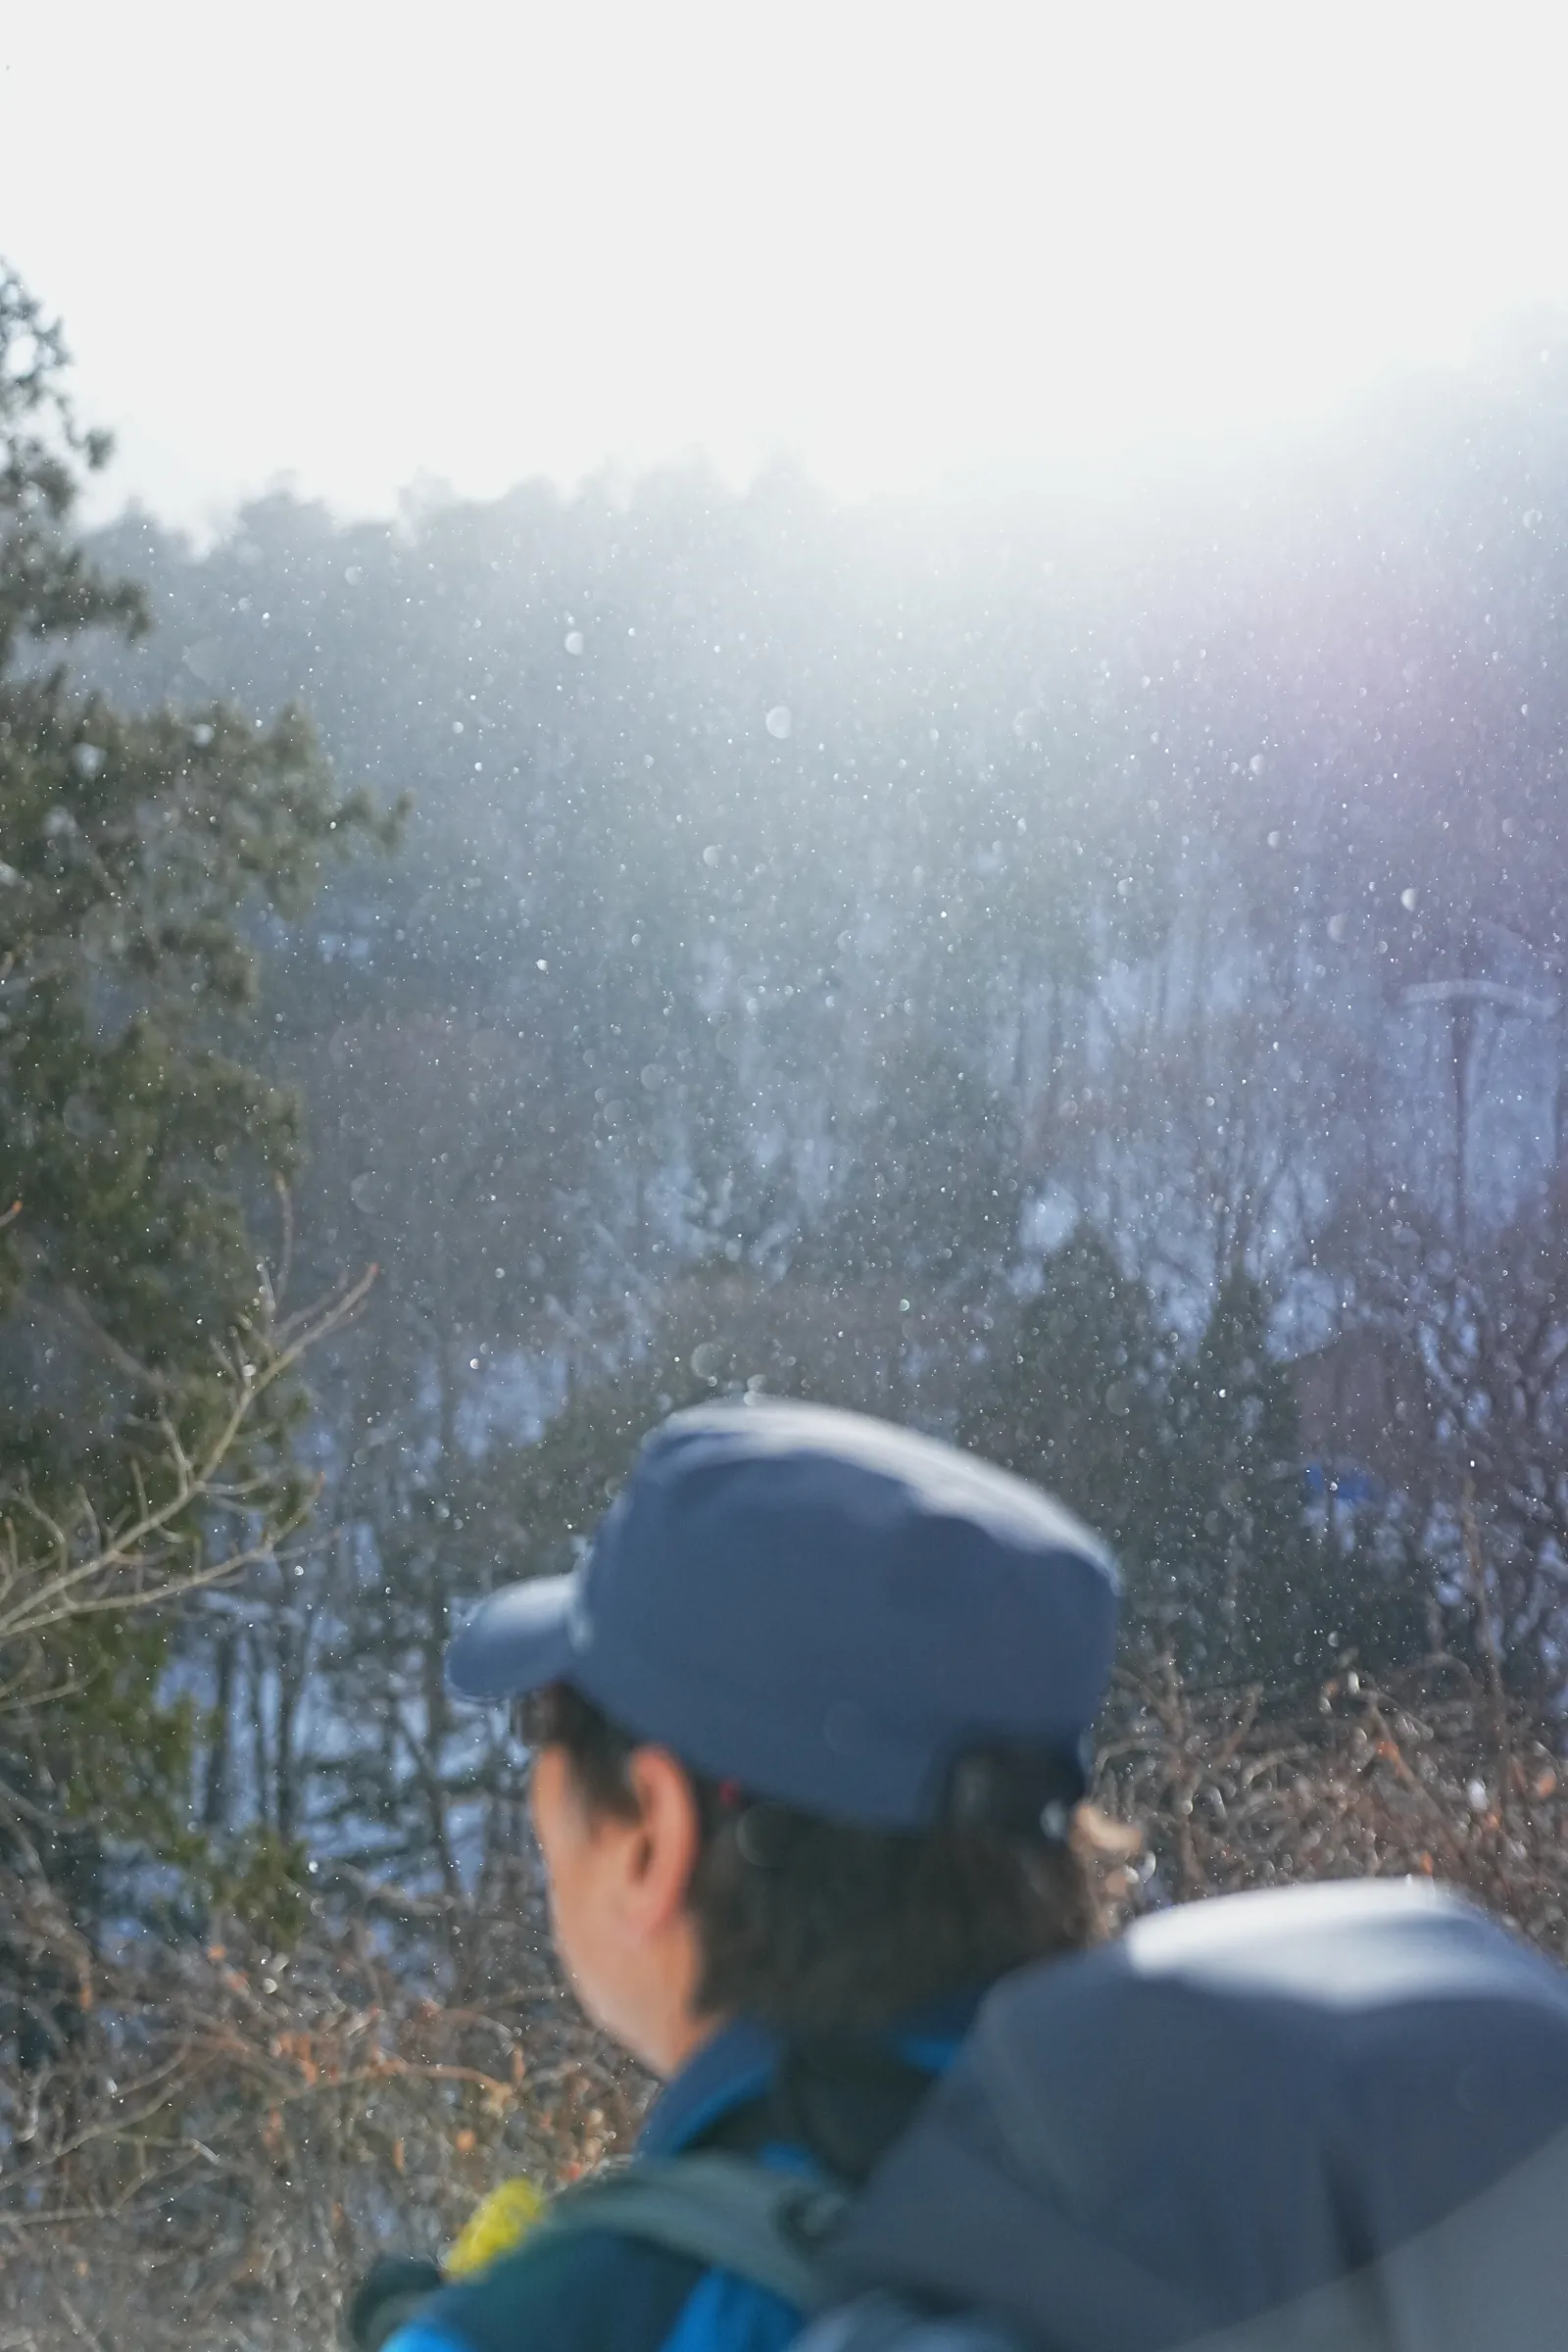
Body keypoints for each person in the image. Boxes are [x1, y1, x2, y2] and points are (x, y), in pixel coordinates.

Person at [370, 1395, 1119, 2352]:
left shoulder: (595, 2318)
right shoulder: (1218, 2195)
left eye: (547, 1731)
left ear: (652, 1838)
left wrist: (521, 2310)